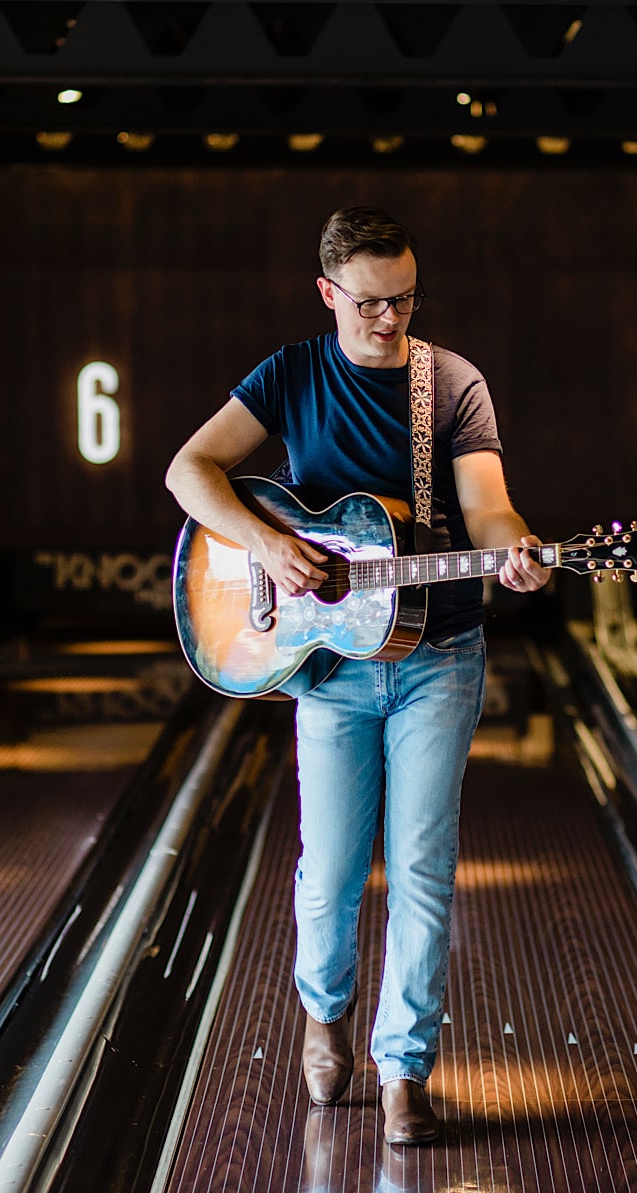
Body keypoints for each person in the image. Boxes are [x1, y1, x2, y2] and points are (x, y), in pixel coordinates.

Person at [165, 206, 550, 1145]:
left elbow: (486, 509)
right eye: (373, 302)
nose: (392, 319)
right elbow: (191, 470)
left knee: (424, 865)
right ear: (330, 293)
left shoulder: (450, 383)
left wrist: (517, 551)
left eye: (407, 299)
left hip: (440, 655)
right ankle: (323, 1014)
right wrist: (268, 544)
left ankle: (404, 1070)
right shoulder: (290, 374)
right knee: (331, 871)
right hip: (328, 664)